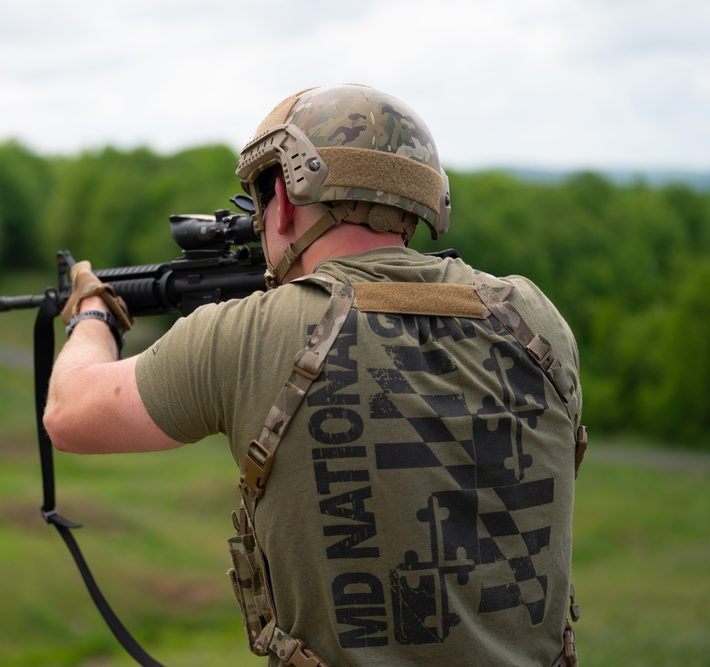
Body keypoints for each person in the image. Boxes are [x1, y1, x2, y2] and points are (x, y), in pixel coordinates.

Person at [44, 84, 585, 667]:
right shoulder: (532, 316)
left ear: (282, 192)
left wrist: (93, 312)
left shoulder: (249, 335)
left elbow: (71, 414)